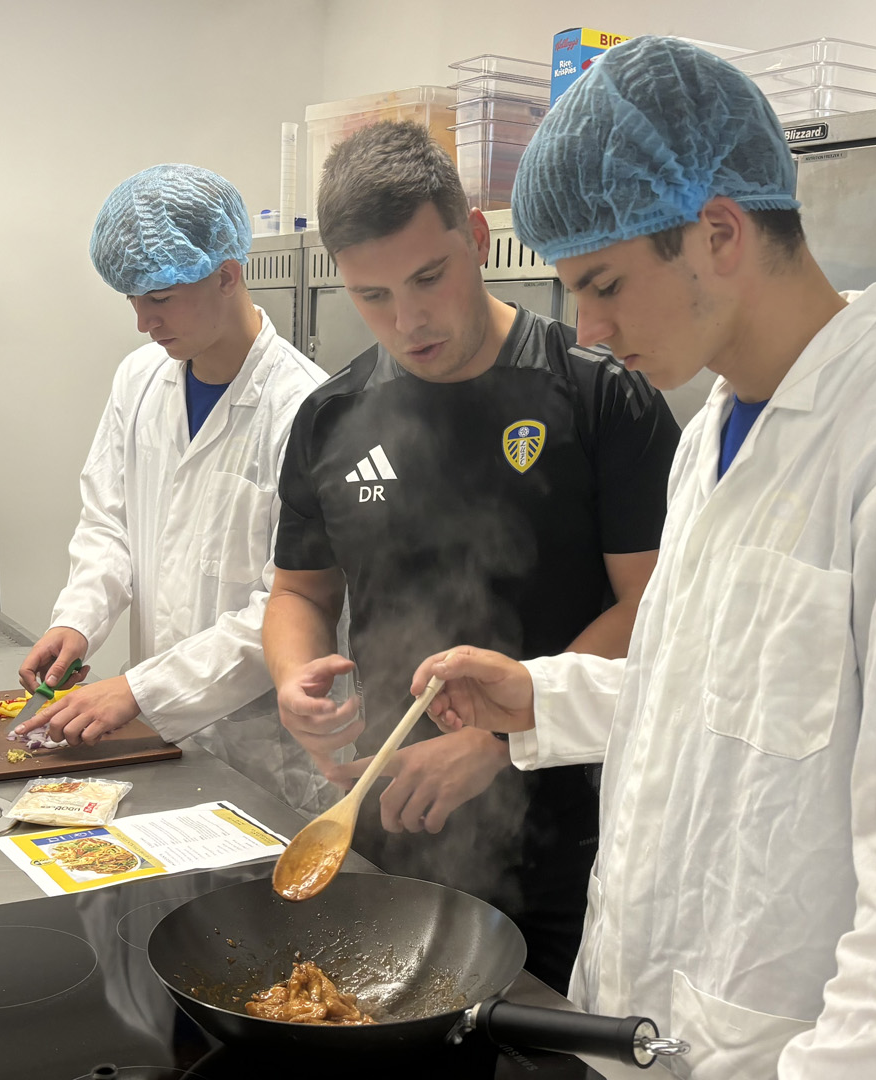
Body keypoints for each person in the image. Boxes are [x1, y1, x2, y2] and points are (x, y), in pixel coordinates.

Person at [413, 36, 876, 1078]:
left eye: (607, 283)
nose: (591, 326)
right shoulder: (713, 430)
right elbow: (717, 698)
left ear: (717, 233)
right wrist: (536, 695)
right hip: (653, 1027)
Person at [262, 121, 681, 989]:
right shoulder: (330, 420)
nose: (408, 319)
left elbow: (656, 612)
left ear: (479, 240)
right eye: (372, 296)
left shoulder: (601, 396)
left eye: (429, 276)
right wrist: (292, 679)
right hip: (386, 821)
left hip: (568, 837)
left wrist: (503, 735)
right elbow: (299, 590)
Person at [15, 164, 334, 815]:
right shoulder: (139, 381)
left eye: (158, 297)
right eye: (130, 299)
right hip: (154, 741)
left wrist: (137, 690)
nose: (142, 322)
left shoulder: (306, 409)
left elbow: (287, 607)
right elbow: (109, 523)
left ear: (227, 273)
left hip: (261, 756)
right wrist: (80, 618)